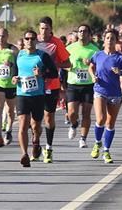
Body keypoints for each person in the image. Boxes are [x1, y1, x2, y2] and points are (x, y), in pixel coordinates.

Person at [13, 29, 57, 167]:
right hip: (22, 94)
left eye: (32, 39)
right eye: (27, 39)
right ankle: (24, 154)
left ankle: (36, 141)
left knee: (36, 125)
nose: (30, 41)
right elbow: (14, 73)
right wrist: (14, 78)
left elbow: (54, 73)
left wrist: (42, 73)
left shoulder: (42, 56)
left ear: (36, 41)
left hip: (37, 95)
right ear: (24, 40)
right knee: (23, 125)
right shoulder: (19, 55)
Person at [89, 30, 122, 164]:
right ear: (104, 40)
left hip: (114, 93)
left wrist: (119, 72)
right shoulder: (98, 55)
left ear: (116, 41)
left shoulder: (120, 58)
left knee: (110, 123)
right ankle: (97, 143)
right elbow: (91, 67)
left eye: (112, 38)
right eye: (107, 38)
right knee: (100, 118)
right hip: (100, 90)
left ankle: (106, 151)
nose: (109, 40)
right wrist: (93, 76)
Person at [34, 17, 70, 163]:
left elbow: (68, 63)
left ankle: (48, 148)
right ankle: (36, 144)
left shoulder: (56, 43)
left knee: (48, 118)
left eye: (46, 28)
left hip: (51, 85)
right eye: (41, 28)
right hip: (34, 85)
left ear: (51, 29)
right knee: (34, 121)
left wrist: (54, 64)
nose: (43, 31)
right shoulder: (32, 41)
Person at [65, 24, 99, 149]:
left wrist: (91, 64)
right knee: (72, 113)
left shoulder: (94, 50)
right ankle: (74, 124)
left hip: (88, 85)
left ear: (89, 35)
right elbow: (62, 63)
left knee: (86, 113)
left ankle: (83, 138)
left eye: (85, 31)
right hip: (73, 84)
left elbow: (99, 66)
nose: (82, 33)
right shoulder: (70, 48)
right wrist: (68, 66)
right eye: (80, 31)